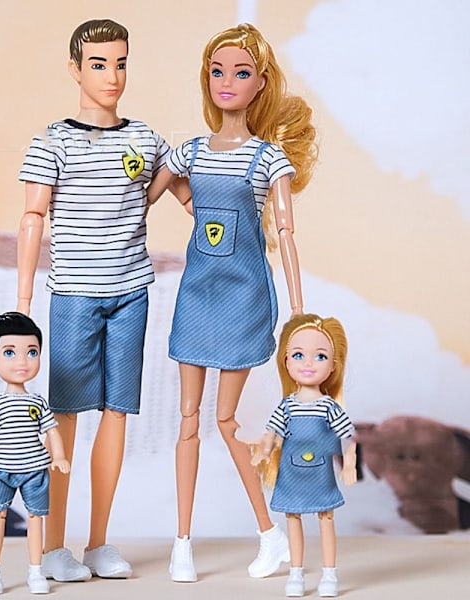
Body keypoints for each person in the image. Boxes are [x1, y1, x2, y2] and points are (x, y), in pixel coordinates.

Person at [16, 18, 190, 582]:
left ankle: (97, 542)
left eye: (120, 63)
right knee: (63, 416)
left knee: (117, 413)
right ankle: (53, 546)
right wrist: (22, 305)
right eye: (98, 64)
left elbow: (187, 195)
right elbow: (32, 217)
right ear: (75, 69)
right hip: (74, 294)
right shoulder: (53, 141)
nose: (111, 76)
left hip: (131, 291)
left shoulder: (145, 138)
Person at [146, 23, 317, 582]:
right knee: (187, 420)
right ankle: (182, 544)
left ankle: (270, 533)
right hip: (197, 294)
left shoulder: (269, 159)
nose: (226, 82)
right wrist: (184, 198)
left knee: (225, 420)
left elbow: (286, 234)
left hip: (244, 296)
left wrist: (299, 311)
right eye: (217, 71)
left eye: (240, 73)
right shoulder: (191, 151)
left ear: (260, 83)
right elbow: (149, 192)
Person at [252, 314, 357, 597]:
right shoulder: (286, 406)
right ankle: (295, 573)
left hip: (320, 473)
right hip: (291, 473)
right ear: (286, 361)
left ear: (333, 366)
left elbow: (348, 436)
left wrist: (349, 463)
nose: (308, 363)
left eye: (320, 356)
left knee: (326, 518)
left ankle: (329, 574)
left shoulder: (329, 407)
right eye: (298, 355)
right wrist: (263, 451)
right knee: (293, 518)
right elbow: (272, 433)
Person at [0, 312, 70, 595]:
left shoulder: (38, 402)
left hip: (34, 470)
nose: (22, 362)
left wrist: (59, 456)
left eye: (31, 352)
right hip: (0, 470)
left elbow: (51, 431)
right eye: (9, 352)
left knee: (35, 518)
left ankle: (36, 572)